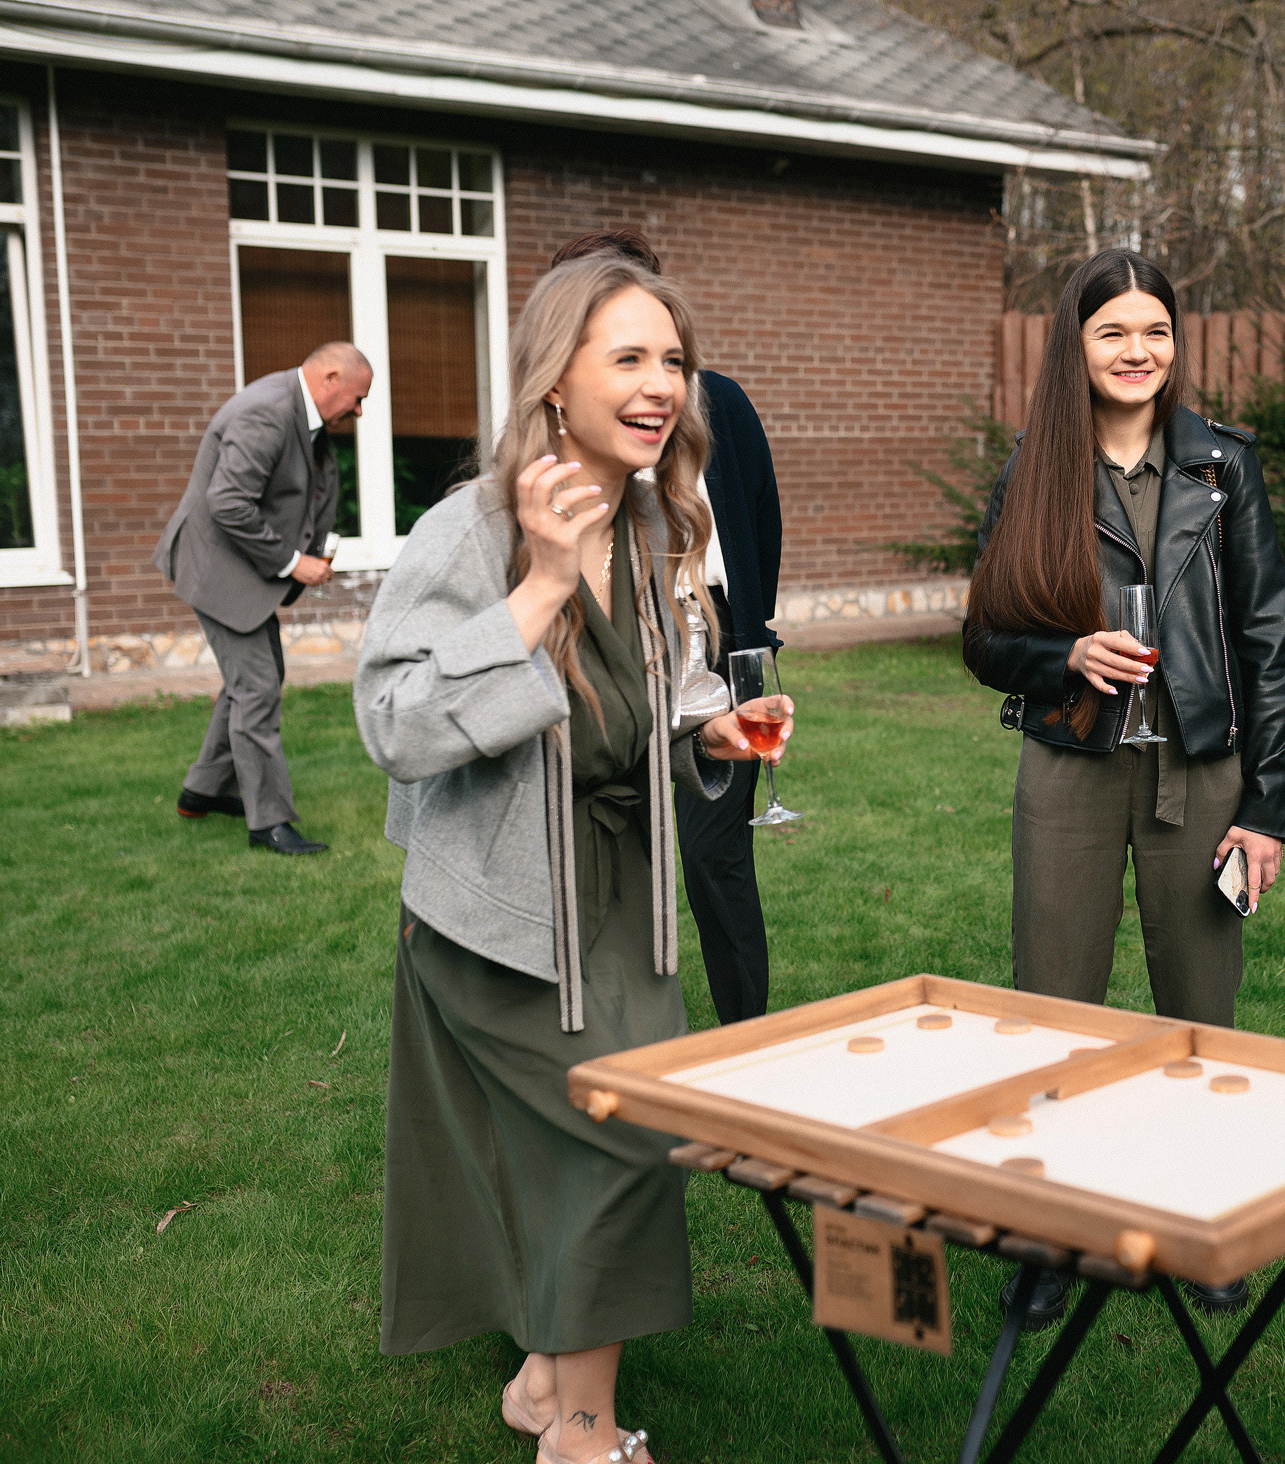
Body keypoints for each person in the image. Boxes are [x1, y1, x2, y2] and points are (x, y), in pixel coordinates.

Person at [354, 255, 791, 1464]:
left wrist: (707, 724)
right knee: (625, 1137)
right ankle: (584, 1441)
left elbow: (641, 699)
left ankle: (547, 1386)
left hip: (618, 902)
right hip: (497, 910)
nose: (661, 386)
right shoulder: (478, 527)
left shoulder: (655, 521)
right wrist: (540, 588)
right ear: (557, 382)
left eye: (673, 362)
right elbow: (395, 725)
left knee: (613, 1135)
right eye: (629, 359)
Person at [962, 247, 1285, 1321]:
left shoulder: (1223, 467)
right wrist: (1063, 655)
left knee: (1200, 1005)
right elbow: (980, 638)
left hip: (1200, 770)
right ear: (1076, 343)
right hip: (1070, 763)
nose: (1136, 351)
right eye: (1113, 332)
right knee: (1053, 1006)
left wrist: (1267, 808)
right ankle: (1053, 1235)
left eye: (1154, 330)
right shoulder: (1036, 470)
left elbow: (1266, 644)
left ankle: (1205, 1222)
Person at [548, 229, 785, 1026]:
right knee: (609, 852)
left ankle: (742, 1038)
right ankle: (610, 1029)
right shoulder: (549, 445)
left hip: (715, 638)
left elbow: (761, 521)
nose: (651, 374)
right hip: (605, 641)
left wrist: (748, 631)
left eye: (663, 346)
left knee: (717, 857)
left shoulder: (722, 405)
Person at [154, 341, 370, 854]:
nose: (358, 411)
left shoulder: (296, 409)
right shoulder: (268, 412)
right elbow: (228, 503)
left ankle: (204, 789)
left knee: (254, 680)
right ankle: (268, 823)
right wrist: (295, 563)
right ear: (330, 378)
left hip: (235, 569)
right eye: (357, 398)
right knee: (257, 690)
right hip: (217, 569)